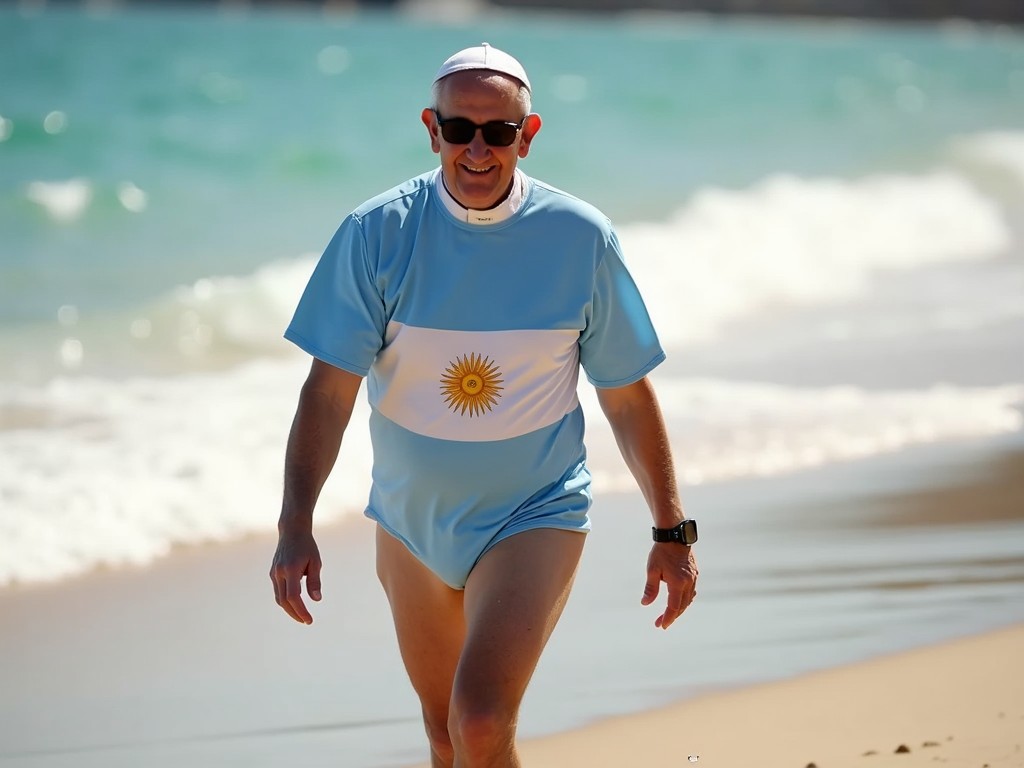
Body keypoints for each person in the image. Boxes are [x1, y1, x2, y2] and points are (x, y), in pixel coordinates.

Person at [270, 42, 699, 767]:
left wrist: (672, 533)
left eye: (497, 133)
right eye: (458, 129)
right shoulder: (376, 233)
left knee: (478, 722)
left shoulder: (580, 238)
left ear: (526, 138)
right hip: (409, 523)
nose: (476, 148)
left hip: (535, 512)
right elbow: (329, 391)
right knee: (444, 738)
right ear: (430, 129)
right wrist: (294, 526)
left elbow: (626, 396)